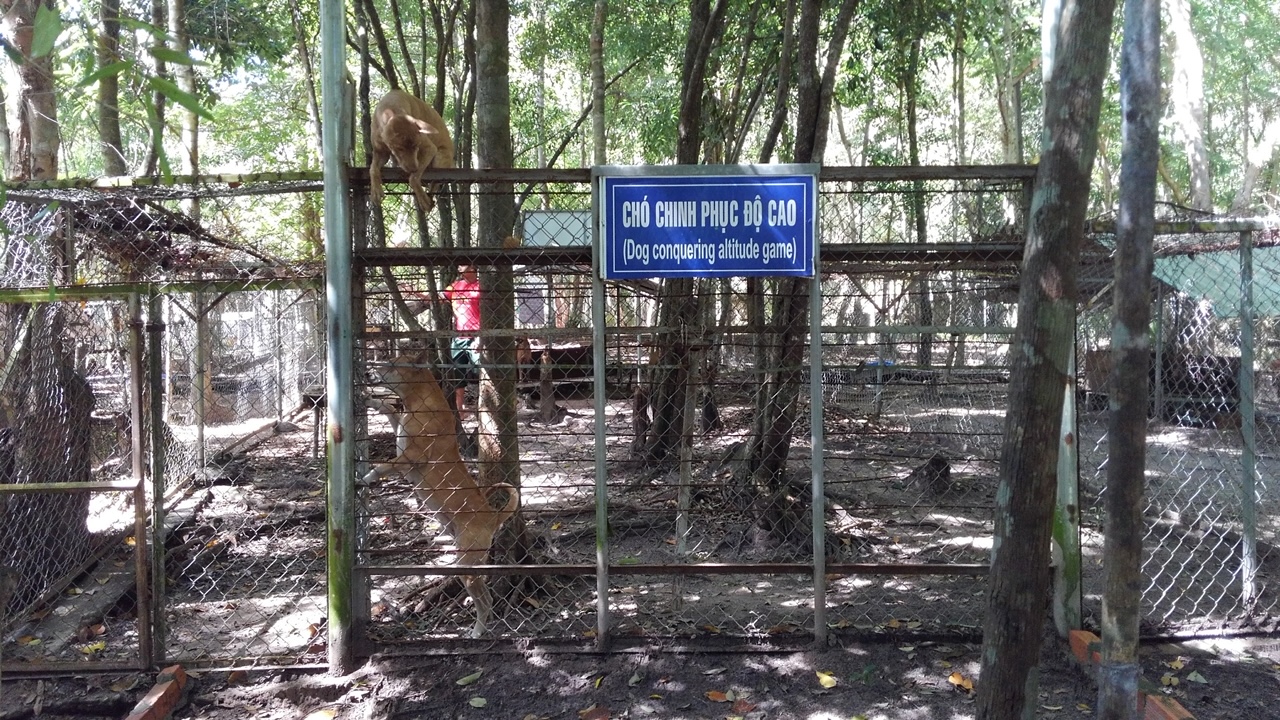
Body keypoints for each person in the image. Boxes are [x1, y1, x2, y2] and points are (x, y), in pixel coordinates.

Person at [443, 265, 481, 412]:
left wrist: (481, 337)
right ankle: (459, 410)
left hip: (477, 336)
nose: (459, 268)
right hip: (459, 337)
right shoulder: (455, 286)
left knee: (482, 369)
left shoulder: (481, 286)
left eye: (463, 265)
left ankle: (484, 407)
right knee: (457, 373)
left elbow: (489, 312)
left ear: (472, 267)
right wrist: (413, 292)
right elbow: (437, 298)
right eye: (459, 266)